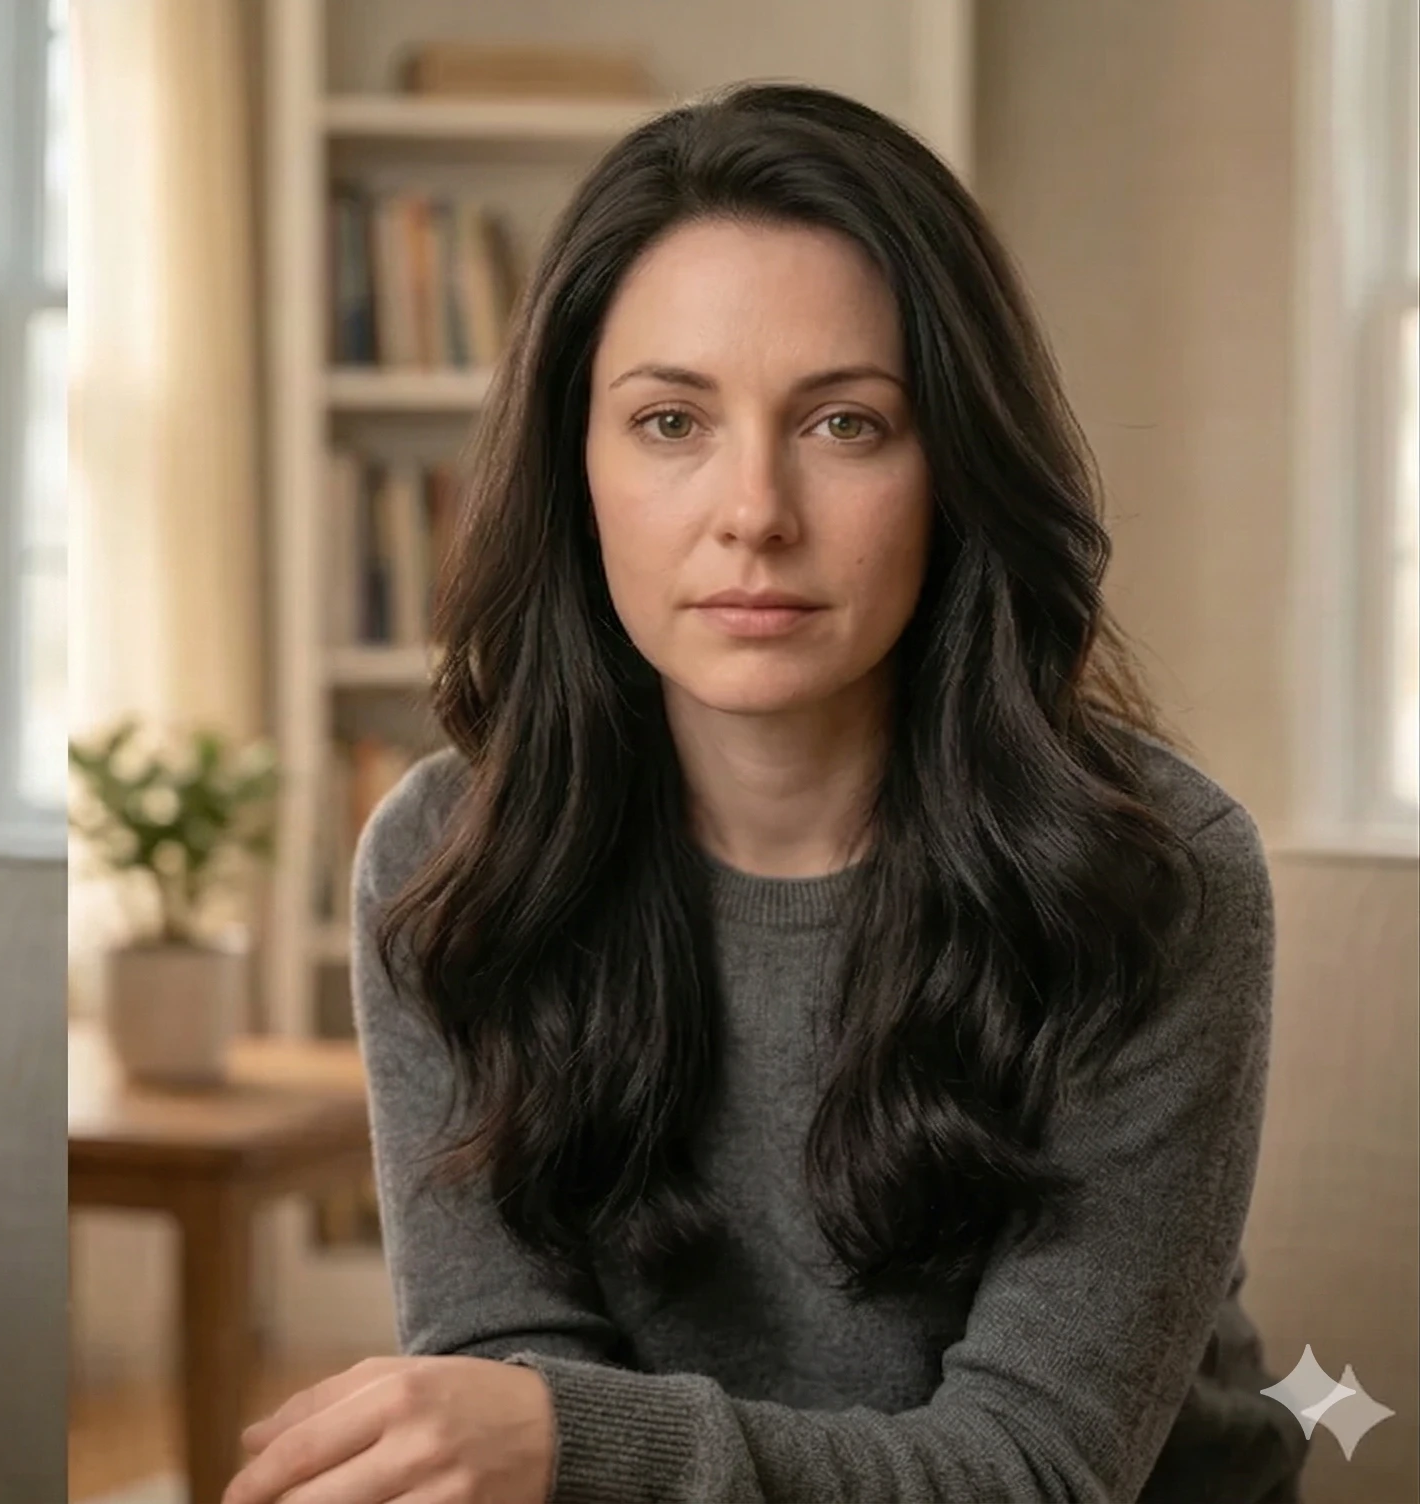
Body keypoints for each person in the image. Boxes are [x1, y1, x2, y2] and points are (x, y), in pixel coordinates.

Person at [229, 84, 1308, 1504]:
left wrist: (577, 1442)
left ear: (954, 470)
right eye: (671, 420)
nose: (754, 510)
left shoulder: (1154, 877)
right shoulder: (449, 863)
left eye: (846, 425)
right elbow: (505, 1382)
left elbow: (1037, 1470)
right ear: (578, 469)